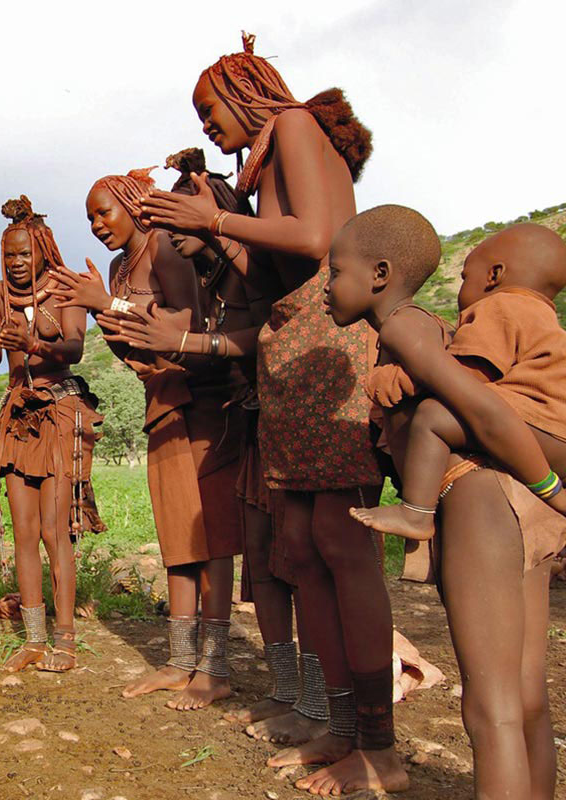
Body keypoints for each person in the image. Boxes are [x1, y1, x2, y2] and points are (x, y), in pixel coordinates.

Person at [137, 34, 401, 794]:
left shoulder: (290, 125)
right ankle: (338, 725)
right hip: (290, 350)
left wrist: (216, 224)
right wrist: (213, 243)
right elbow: (278, 268)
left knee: (341, 547)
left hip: (327, 347)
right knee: (301, 546)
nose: (206, 123)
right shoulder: (266, 161)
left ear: (245, 89)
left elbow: (317, 240)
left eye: (208, 108)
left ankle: (379, 744)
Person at [324, 207, 566, 799]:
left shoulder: (407, 329)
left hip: (479, 495)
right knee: (526, 696)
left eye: (334, 272)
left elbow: (478, 409)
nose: (327, 285)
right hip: (520, 505)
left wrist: (549, 485)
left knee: (492, 708)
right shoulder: (439, 332)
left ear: (378, 274)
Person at [51, 163, 244, 709]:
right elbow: (128, 346)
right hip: (161, 397)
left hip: (202, 394)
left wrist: (108, 306)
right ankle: (181, 660)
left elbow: (190, 320)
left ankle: (217, 666)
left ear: (134, 202)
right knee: (179, 536)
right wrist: (107, 306)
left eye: (103, 211)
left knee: (213, 538)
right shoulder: (116, 268)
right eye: (88, 217)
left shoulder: (163, 244)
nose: (96, 224)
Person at [347, 221, 566, 537]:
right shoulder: (542, 316)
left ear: (494, 276)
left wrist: (397, 379)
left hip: (538, 424)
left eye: (465, 276)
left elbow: (465, 376)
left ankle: (416, 513)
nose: (464, 285)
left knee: (432, 417)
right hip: (555, 433)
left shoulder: (499, 306)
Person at [0, 196, 103, 673]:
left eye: (24, 254)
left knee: (53, 531)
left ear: (44, 248)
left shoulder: (66, 289)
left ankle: (65, 641)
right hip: (16, 416)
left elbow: (74, 349)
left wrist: (32, 342)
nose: (16, 263)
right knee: (24, 532)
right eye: (9, 255)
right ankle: (33, 640)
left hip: (58, 410)